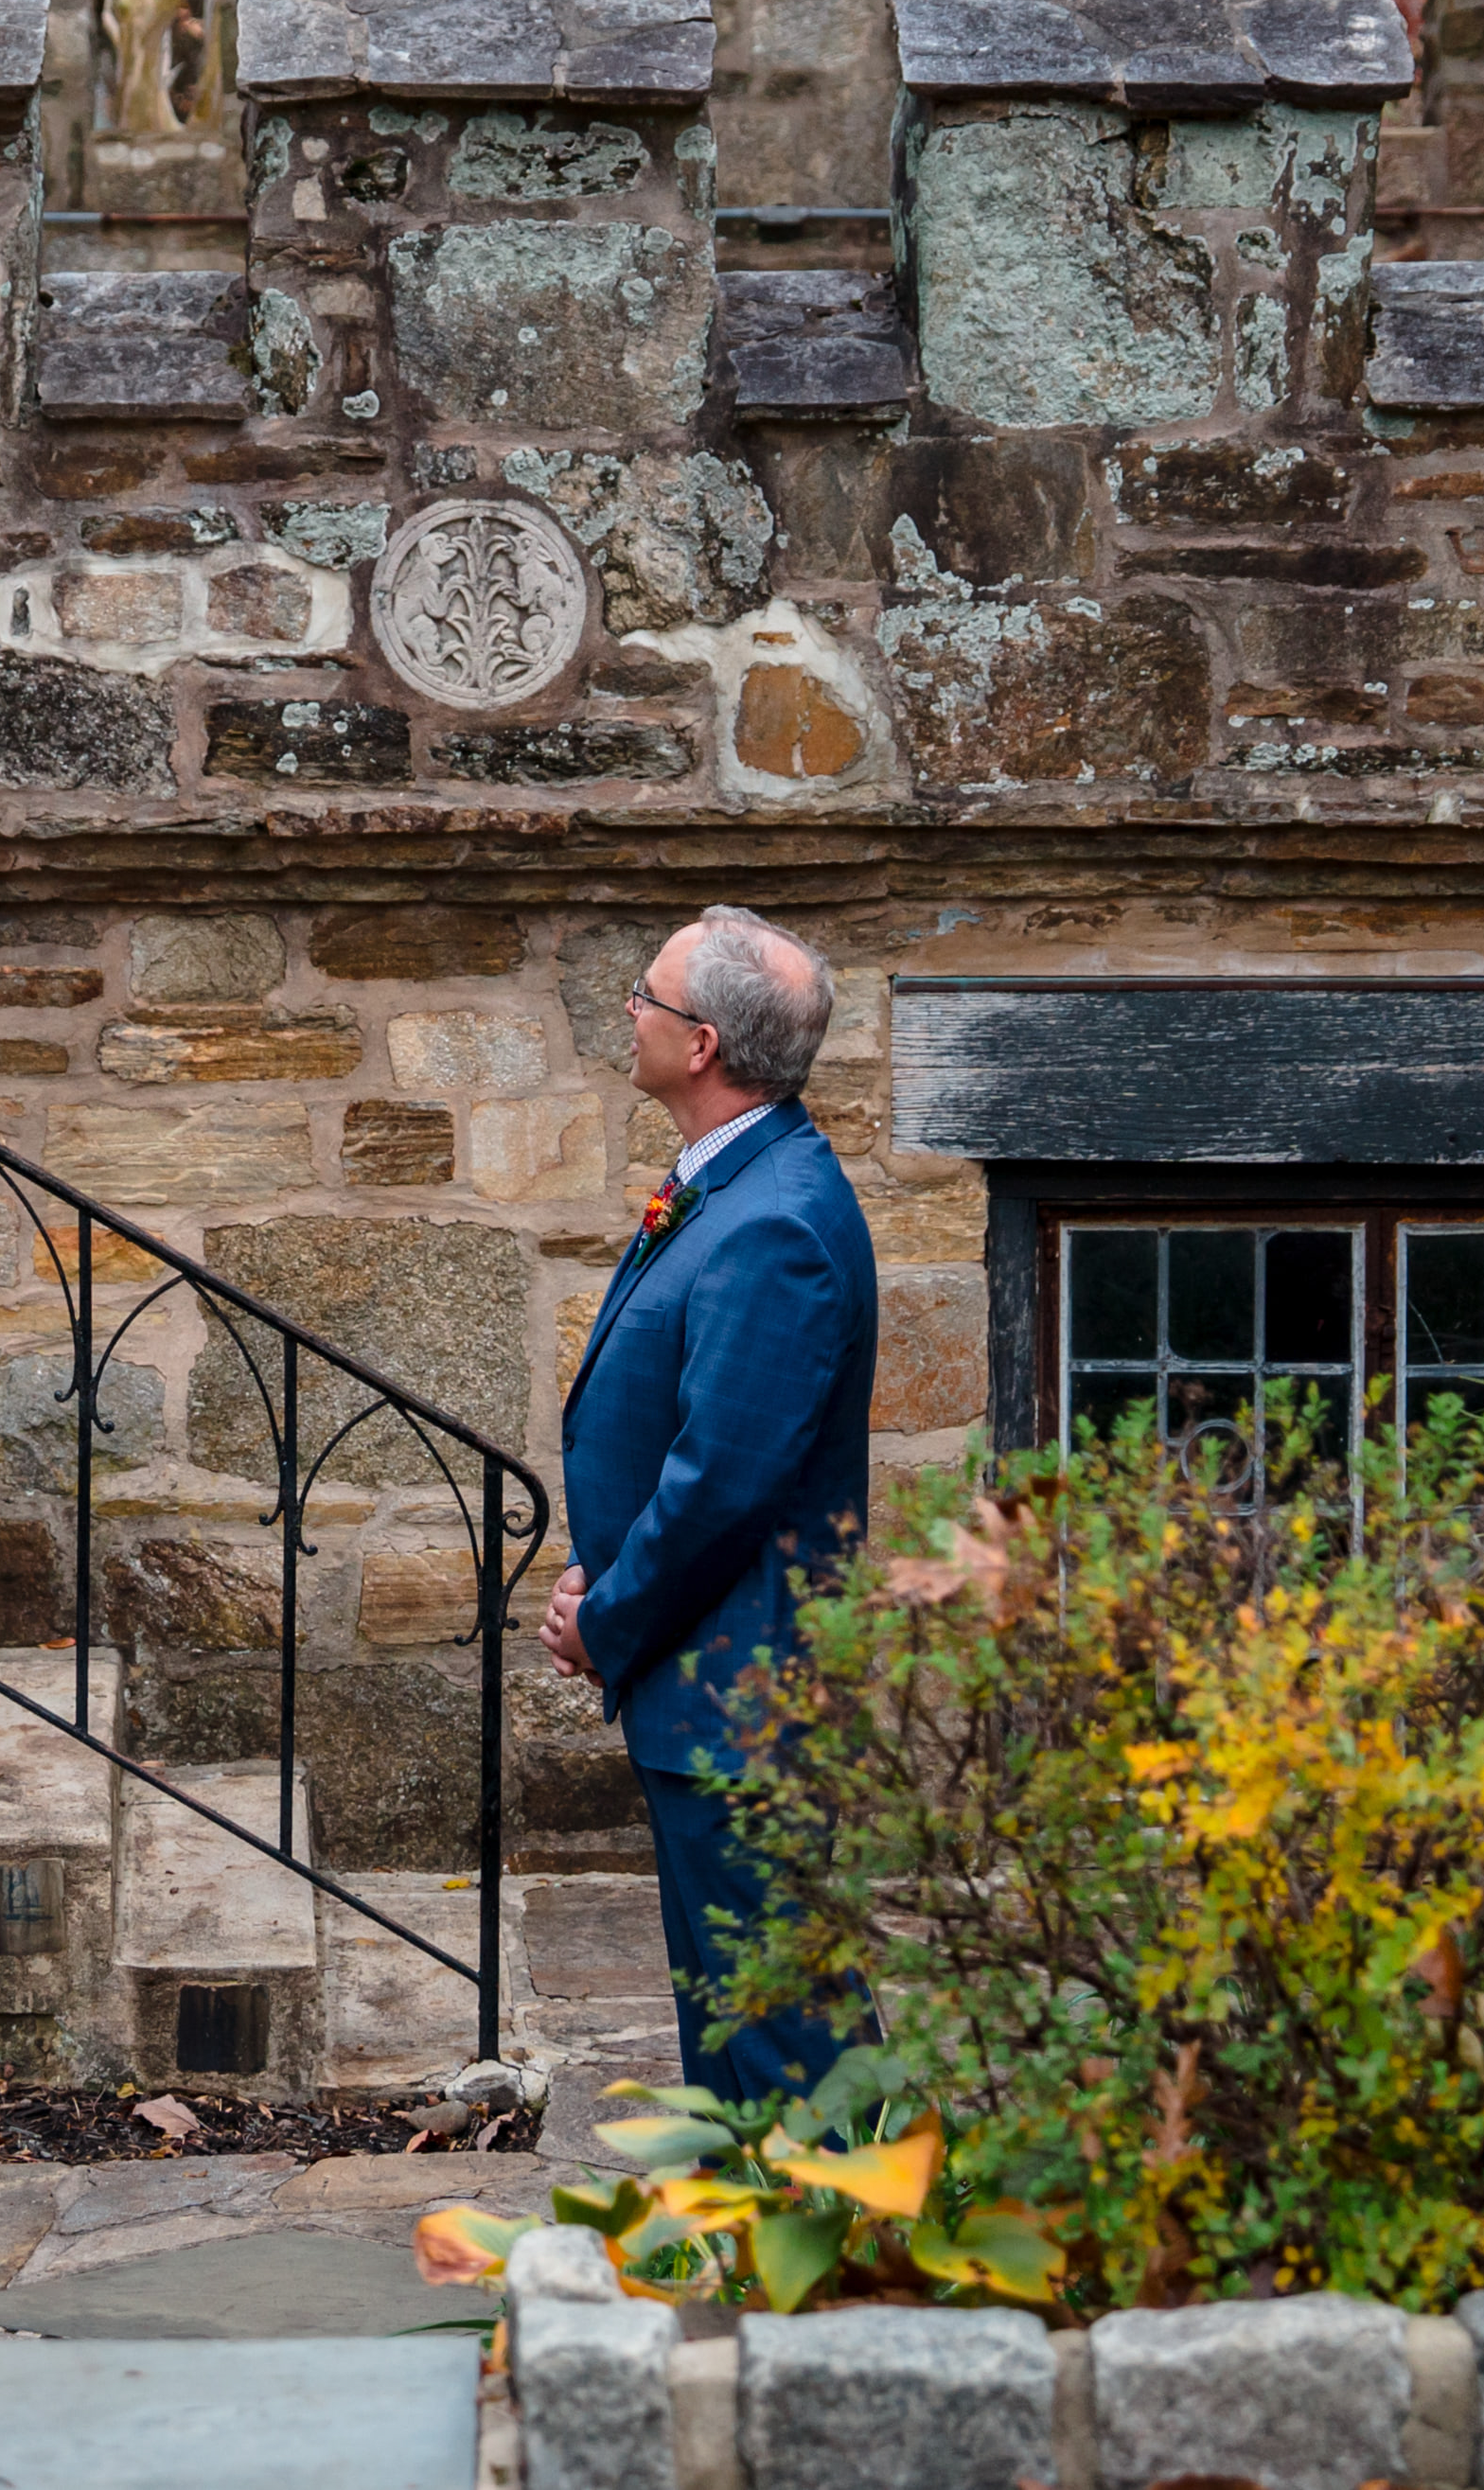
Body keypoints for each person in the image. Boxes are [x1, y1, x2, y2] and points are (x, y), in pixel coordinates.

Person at [544, 903, 876, 2108]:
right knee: (734, 2023)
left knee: (784, 2038)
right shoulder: (729, 1180)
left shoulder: (778, 1218)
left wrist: (608, 1615)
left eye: (645, 993)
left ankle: (851, 2270)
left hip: (742, 1692)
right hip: (707, 1677)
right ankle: (763, 2264)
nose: (626, 1007)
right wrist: (607, 1573)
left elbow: (725, 1477)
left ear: (700, 1046)